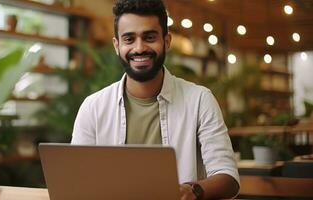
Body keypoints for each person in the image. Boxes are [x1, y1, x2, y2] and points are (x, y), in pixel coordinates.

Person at [71, 0, 240, 199]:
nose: (139, 48)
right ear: (117, 45)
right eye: (129, 39)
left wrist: (192, 190)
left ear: (166, 41)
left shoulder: (200, 100)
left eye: (149, 37)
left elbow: (228, 178)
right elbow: (78, 179)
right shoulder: (93, 107)